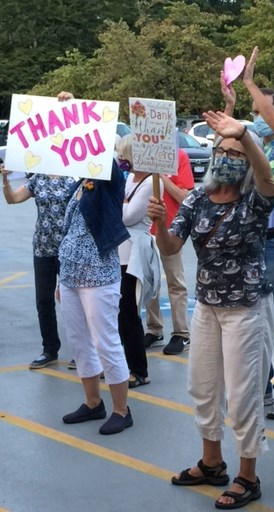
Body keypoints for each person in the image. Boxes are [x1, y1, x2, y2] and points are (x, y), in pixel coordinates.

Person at [147, 111, 274, 509]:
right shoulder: (199, 199)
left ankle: (248, 477)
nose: (228, 158)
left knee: (243, 397)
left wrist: (247, 136)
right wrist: (162, 225)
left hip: (245, 310)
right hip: (207, 307)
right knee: (203, 389)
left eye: (236, 152)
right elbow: (172, 248)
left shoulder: (254, 201)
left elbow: (268, 182)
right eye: (222, 150)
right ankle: (212, 462)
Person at [225, 46, 274, 419]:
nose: (254, 117)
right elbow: (224, 154)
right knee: (257, 322)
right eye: (252, 112)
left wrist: (251, 82)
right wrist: (229, 107)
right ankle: (266, 387)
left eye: (260, 110)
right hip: (251, 244)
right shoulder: (252, 146)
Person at [57, 91, 133, 435]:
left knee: (106, 341)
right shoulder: (78, 183)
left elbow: (99, 151)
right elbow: (70, 230)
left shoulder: (110, 179)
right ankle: (92, 402)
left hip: (99, 275)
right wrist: (62, 278)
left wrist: (76, 111)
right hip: (71, 274)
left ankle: (121, 409)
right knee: (78, 340)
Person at [1, 164, 75, 369]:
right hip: (42, 247)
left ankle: (81, 349)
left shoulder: (73, 177)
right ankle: (50, 348)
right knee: (43, 300)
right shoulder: (38, 178)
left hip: (68, 248)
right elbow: (12, 199)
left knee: (73, 301)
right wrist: (5, 180)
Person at [144, 149, 194, 355]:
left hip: (171, 230)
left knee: (175, 281)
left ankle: (181, 333)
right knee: (149, 282)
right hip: (144, 229)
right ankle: (154, 329)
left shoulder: (179, 156)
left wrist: (161, 177)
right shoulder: (143, 156)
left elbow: (185, 197)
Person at [116, 134, 156, 388]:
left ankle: (138, 370)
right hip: (119, 251)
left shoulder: (152, 182)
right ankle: (123, 365)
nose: (120, 159)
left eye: (123, 155)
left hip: (134, 252)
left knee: (129, 312)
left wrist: (118, 202)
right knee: (119, 312)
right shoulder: (131, 178)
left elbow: (129, 217)